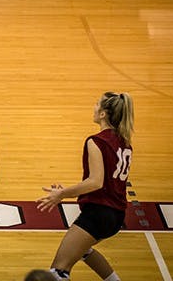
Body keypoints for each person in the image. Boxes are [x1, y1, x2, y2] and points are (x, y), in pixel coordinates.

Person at [37, 92, 134, 281]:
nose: (94, 108)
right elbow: (106, 181)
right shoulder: (125, 143)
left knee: (58, 271)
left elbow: (95, 182)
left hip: (98, 213)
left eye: (97, 105)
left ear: (104, 114)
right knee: (82, 250)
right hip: (117, 216)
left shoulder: (96, 141)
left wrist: (62, 194)